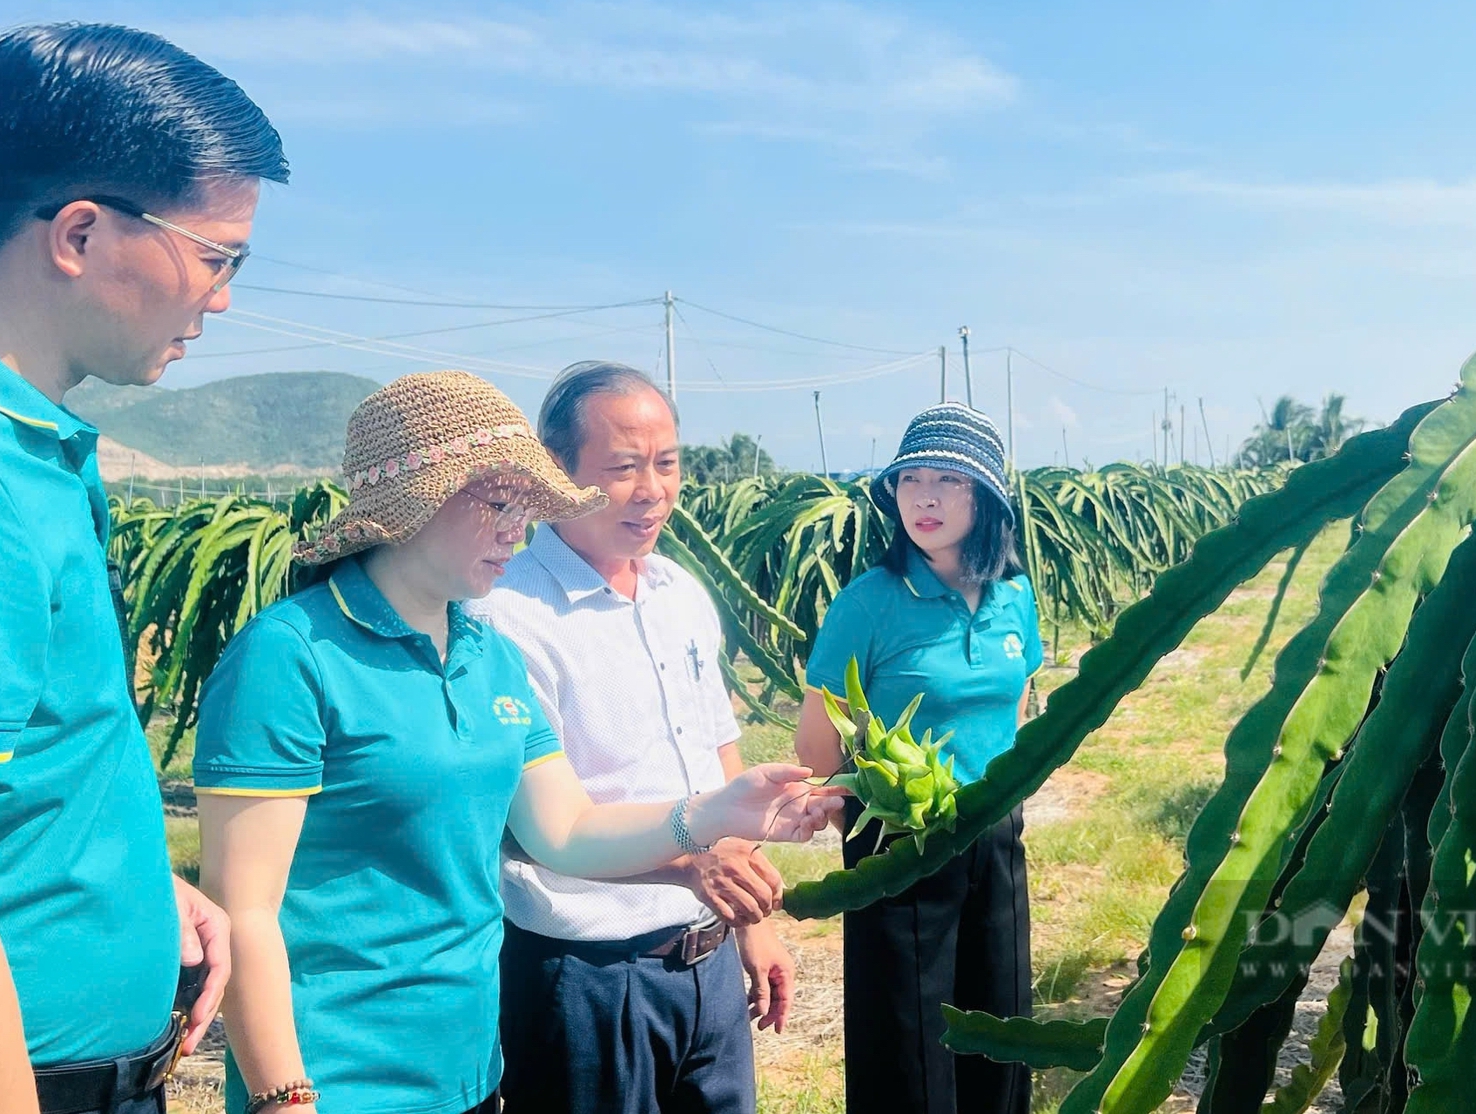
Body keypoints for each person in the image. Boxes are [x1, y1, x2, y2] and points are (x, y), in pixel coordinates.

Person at [193, 372, 844, 1114]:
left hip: (470, 1070)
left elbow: (564, 831)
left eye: (524, 507)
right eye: (499, 503)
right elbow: (243, 909)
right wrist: (282, 1096)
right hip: (340, 1077)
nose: (516, 528)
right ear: (416, 499)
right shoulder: (290, 655)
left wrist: (717, 810)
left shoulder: (484, 653)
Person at [0, 24, 286, 1114]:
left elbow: (41, 757)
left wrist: (148, 887)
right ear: (82, 234)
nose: (224, 297)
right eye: (217, 256)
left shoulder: (29, 441)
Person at [474, 361, 799, 1114]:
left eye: (667, 463)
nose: (652, 489)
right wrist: (691, 867)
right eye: (623, 468)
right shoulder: (508, 617)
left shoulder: (679, 593)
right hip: (587, 978)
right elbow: (535, 830)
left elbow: (721, 756)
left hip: (707, 964)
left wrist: (747, 923)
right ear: (553, 470)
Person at [795, 403, 1045, 1114]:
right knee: (906, 1037)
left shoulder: (1013, 597)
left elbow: (1015, 705)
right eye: (910, 480)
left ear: (988, 498)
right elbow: (817, 748)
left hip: (994, 833)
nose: (924, 498)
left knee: (1000, 1017)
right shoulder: (868, 604)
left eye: (948, 481)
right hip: (893, 838)